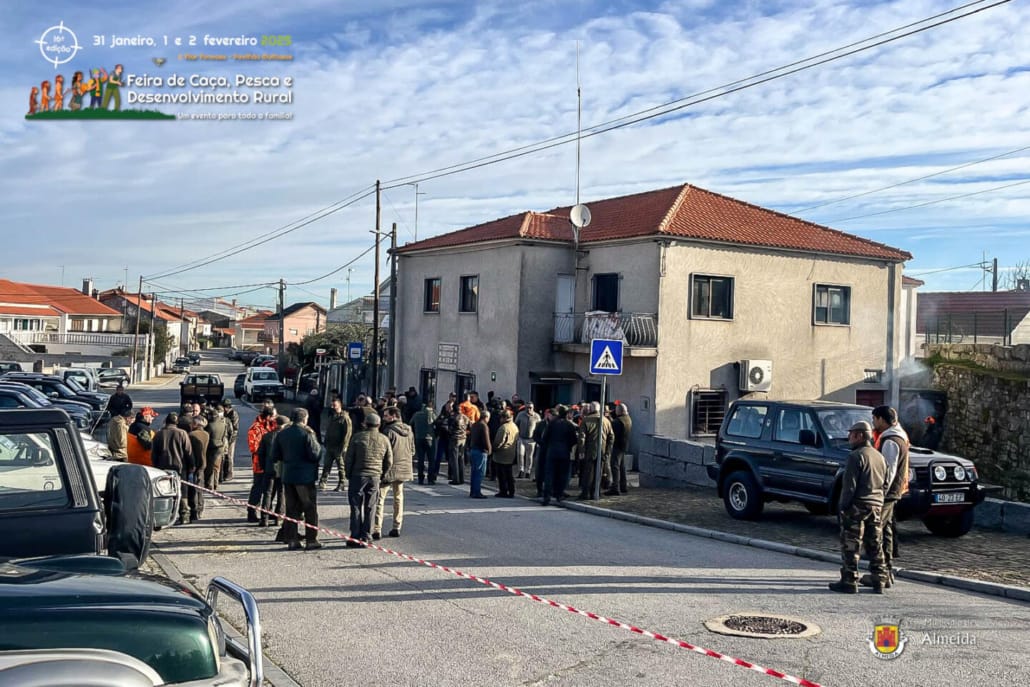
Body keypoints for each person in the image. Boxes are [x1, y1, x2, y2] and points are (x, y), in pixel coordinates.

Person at [830, 421, 889, 594]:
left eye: (851, 434)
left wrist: (843, 507)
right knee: (875, 543)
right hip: (876, 505)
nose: (849, 437)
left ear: (859, 435)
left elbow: (849, 486)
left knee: (851, 544)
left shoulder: (855, 456)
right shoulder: (879, 457)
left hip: (857, 505)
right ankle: (879, 578)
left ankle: (849, 579)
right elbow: (885, 483)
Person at [863, 405, 911, 589]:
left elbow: (887, 470)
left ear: (881, 419)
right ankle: (887, 571)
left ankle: (879, 574)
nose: (873, 423)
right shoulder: (900, 435)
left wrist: (879, 493)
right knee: (887, 531)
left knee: (876, 531)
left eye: (874, 419)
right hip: (894, 492)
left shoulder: (890, 440)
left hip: (887, 493)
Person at [272, 408, 323, 551]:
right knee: (310, 508)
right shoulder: (307, 433)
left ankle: (292, 539)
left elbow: (275, 455)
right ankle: (311, 539)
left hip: (288, 475)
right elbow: (315, 454)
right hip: (305, 477)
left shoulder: (282, 434)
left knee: (291, 509)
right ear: (304, 419)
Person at [344, 413, 393, 547]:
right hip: (375, 475)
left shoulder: (357, 437)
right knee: (370, 506)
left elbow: (349, 458)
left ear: (365, 424)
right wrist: (382, 475)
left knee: (355, 506)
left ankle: (354, 535)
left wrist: (348, 474)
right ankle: (366, 535)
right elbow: (389, 460)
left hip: (358, 475)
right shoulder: (384, 439)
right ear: (378, 424)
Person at [375, 407, 414, 538]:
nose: (384, 418)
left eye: (386, 416)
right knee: (398, 498)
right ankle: (397, 526)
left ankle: (377, 529)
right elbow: (412, 450)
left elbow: (384, 452)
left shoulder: (387, 431)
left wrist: (381, 468)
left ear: (393, 416)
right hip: (404, 468)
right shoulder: (409, 430)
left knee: (380, 499)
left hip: (389, 469)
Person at [151, 413, 194, 525]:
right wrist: (192, 466)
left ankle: (165, 515)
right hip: (179, 468)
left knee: (165, 491)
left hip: (162, 468)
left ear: (166, 421)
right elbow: (188, 452)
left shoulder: (158, 435)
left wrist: (155, 467)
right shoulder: (182, 434)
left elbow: (154, 454)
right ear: (176, 422)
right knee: (182, 491)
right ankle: (184, 515)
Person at [541, 406, 583, 506]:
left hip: (552, 452)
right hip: (564, 452)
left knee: (549, 474)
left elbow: (544, 438)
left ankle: (547, 496)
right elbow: (573, 439)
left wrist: (549, 446)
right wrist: (567, 446)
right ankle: (559, 494)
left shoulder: (552, 424)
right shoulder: (569, 425)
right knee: (562, 474)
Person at [246, 406, 277, 523]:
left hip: (270, 463)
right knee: (258, 488)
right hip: (259, 463)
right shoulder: (255, 428)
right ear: (268, 416)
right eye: (273, 416)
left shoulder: (272, 425)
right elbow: (253, 447)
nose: (275, 418)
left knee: (269, 489)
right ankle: (252, 512)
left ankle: (268, 510)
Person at [260, 415, 289, 535]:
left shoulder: (267, 436)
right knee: (281, 493)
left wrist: (264, 466)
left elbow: (260, 453)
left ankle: (264, 518)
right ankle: (278, 517)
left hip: (269, 468)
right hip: (282, 469)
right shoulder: (286, 437)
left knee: (267, 492)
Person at [579, 402, 614, 500]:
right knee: (599, 472)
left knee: (588, 473)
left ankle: (586, 493)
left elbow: (582, 437)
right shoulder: (606, 421)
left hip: (590, 450)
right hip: (602, 450)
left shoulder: (586, 420)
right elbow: (611, 437)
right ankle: (596, 492)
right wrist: (608, 450)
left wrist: (581, 451)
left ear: (590, 409)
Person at [320, 396, 352, 491]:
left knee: (340, 466)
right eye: (332, 405)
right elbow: (329, 430)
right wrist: (325, 442)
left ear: (340, 405)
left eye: (335, 405)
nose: (333, 407)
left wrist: (343, 446)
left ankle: (342, 483)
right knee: (326, 465)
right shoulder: (332, 416)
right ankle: (323, 482)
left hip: (339, 446)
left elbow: (347, 434)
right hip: (330, 445)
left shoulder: (344, 418)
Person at [186, 416, 209, 521]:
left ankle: (194, 510)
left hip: (194, 464)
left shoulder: (191, 435)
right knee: (200, 487)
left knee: (193, 488)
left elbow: (189, 451)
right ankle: (200, 507)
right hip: (203, 463)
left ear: (195, 424)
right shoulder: (206, 434)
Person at [492, 410, 519, 498]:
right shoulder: (514, 426)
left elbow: (499, 442)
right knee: (509, 474)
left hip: (501, 454)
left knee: (501, 474)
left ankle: (503, 491)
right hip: (511, 453)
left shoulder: (503, 428)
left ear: (504, 418)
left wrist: (494, 449)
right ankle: (511, 491)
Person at [608, 403, 632, 495]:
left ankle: (615, 488)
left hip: (617, 445)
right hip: (624, 445)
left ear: (619, 411)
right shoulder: (628, 419)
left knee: (615, 467)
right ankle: (623, 486)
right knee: (622, 467)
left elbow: (612, 433)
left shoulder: (618, 421)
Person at [411, 401, 437, 485]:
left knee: (420, 459)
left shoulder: (416, 414)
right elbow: (437, 423)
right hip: (430, 438)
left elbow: (410, 424)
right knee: (431, 459)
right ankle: (430, 478)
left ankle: (420, 478)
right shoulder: (431, 414)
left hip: (419, 438)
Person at [468, 410, 491, 499]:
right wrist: (489, 450)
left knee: (474, 472)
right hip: (481, 451)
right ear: (486, 417)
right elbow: (486, 439)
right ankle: (477, 492)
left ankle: (473, 491)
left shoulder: (474, 425)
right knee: (480, 472)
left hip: (473, 449)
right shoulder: (484, 426)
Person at [515, 402, 540, 480]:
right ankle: (520, 470)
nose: (529, 409)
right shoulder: (520, 415)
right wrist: (517, 436)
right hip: (521, 438)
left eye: (530, 408)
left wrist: (537, 438)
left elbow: (539, 427)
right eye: (527, 408)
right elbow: (516, 424)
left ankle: (528, 471)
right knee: (520, 454)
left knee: (529, 456)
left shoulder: (536, 416)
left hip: (531, 440)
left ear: (533, 408)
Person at [447, 405, 470, 485]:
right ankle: (462, 478)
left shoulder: (453, 418)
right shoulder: (465, 418)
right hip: (463, 439)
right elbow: (470, 428)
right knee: (461, 458)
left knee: (454, 460)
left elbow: (449, 429)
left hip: (455, 439)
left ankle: (455, 479)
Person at [221, 398, 240, 482]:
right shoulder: (224, 413)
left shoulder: (234, 414)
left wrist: (230, 441)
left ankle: (229, 473)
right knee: (224, 456)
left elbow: (235, 429)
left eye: (226, 407)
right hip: (224, 437)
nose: (225, 409)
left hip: (231, 438)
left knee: (229, 456)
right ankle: (224, 473)